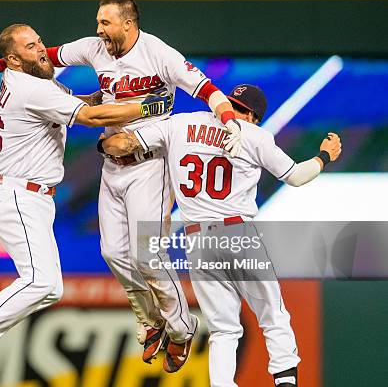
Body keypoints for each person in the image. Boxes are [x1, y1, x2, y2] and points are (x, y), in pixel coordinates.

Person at [0, 0, 241, 372]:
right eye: (98, 22)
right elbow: (47, 55)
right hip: (112, 164)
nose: (98, 29)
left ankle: (179, 329)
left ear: (128, 23)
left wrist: (229, 118)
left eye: (105, 22)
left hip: (150, 165)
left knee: (147, 256)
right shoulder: (96, 48)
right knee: (112, 252)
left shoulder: (158, 53)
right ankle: (151, 321)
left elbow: (205, 88)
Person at [0, 23, 174, 384]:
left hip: (28, 196)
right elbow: (92, 118)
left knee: (48, 286)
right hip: (19, 195)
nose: (41, 50)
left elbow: (85, 104)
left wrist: (113, 96)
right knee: (41, 283)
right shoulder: (30, 88)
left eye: (40, 42)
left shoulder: (33, 81)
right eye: (31, 47)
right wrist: (148, 106)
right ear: (14, 59)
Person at [100, 84, 342, 387]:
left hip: (197, 241)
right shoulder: (254, 135)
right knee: (272, 314)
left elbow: (123, 144)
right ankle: (285, 381)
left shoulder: (182, 124)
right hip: (237, 232)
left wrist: (105, 142)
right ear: (252, 115)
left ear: (226, 103)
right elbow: (296, 176)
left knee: (223, 330)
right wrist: (324, 156)